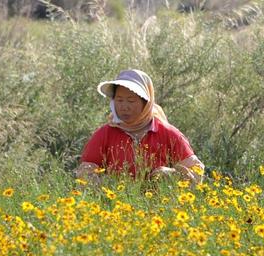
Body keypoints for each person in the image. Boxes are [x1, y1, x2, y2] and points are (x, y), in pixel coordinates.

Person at [76, 69, 204, 184]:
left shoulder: (167, 133)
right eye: (119, 100)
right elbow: (85, 172)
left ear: (146, 103)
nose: (124, 106)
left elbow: (196, 171)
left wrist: (171, 175)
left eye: (131, 101)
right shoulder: (104, 134)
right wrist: (108, 185)